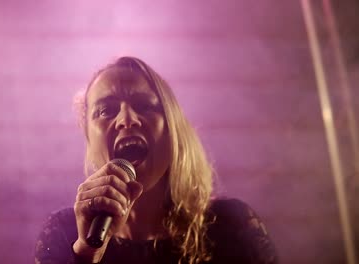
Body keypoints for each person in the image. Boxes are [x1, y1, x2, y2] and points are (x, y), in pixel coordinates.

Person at [34, 56, 278, 264]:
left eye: (144, 105)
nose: (126, 119)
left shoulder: (230, 226)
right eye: (106, 110)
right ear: (89, 138)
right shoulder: (64, 233)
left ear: (172, 129)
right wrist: (86, 253)